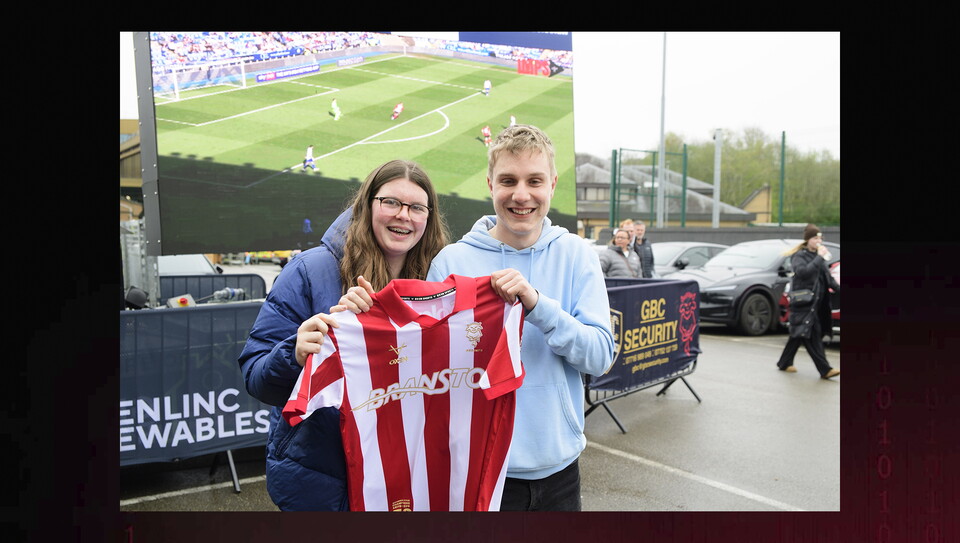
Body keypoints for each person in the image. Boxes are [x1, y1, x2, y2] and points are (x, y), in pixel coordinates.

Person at [238, 159, 449, 511]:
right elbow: (257, 379)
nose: (403, 216)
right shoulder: (309, 270)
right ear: (368, 205)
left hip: (409, 474)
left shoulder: (440, 280)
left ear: (429, 217)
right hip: (323, 479)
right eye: (391, 202)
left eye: (416, 207)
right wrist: (295, 353)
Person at [424, 124, 614, 511]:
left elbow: (600, 356)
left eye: (534, 181)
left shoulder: (577, 255)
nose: (521, 195)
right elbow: (430, 365)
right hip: (478, 469)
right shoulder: (453, 261)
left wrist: (539, 307)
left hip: (558, 470)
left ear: (553, 184)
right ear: (490, 184)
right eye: (508, 180)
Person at [776, 224, 841, 379]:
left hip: (817, 304)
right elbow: (803, 273)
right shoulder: (800, 256)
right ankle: (825, 369)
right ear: (808, 240)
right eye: (815, 238)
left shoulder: (819, 258)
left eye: (820, 238)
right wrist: (819, 257)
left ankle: (784, 362)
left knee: (798, 334)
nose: (818, 241)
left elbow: (828, 279)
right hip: (804, 303)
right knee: (812, 334)